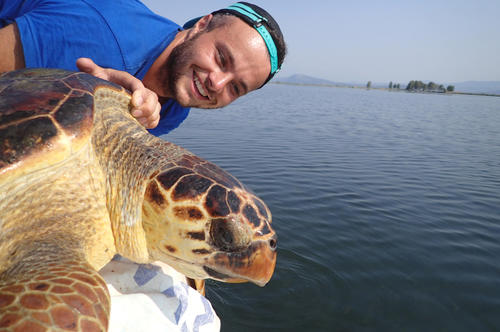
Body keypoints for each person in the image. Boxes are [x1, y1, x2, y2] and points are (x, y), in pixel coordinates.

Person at [0, 0, 286, 135]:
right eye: (222, 58)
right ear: (201, 25)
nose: (218, 85)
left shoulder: (173, 107)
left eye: (236, 88)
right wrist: (73, 89)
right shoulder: (97, 37)